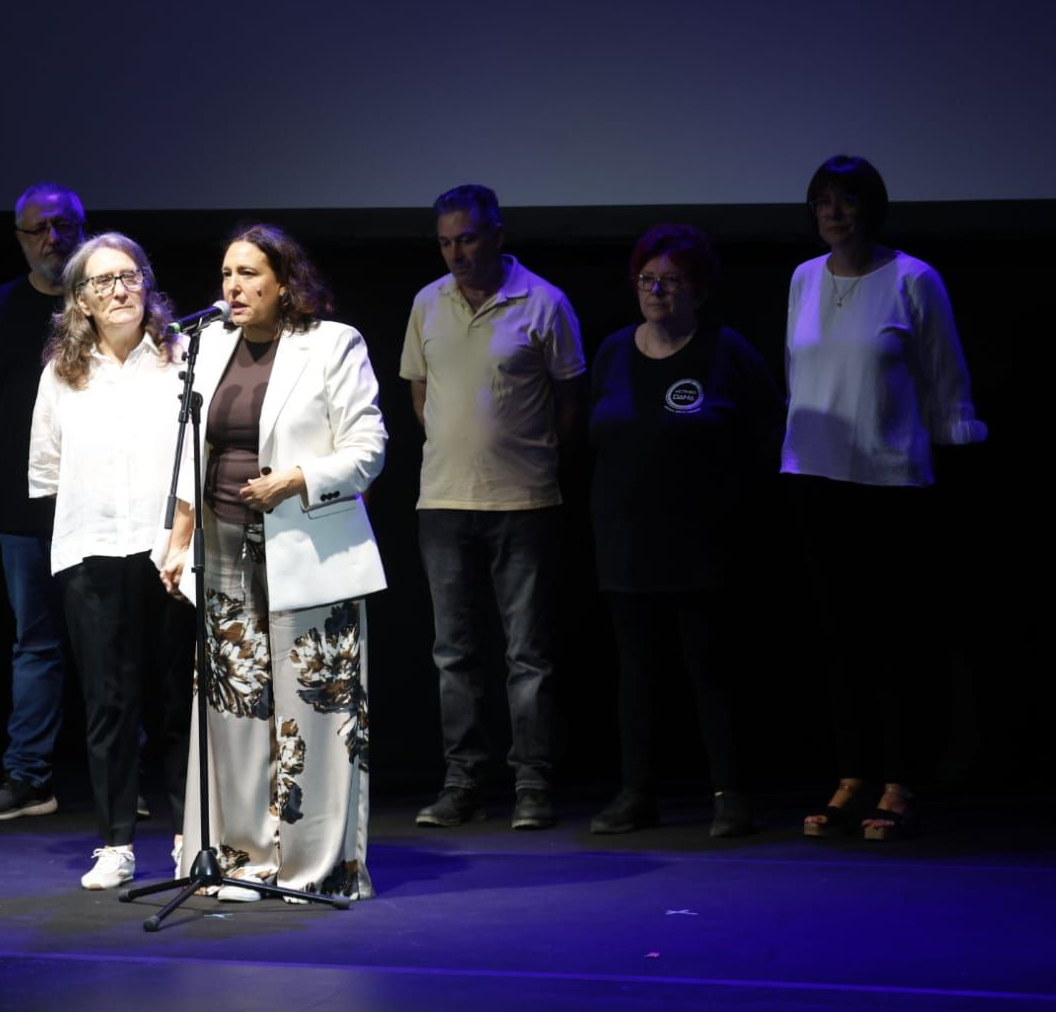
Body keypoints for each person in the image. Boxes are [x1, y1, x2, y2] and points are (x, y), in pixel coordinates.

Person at [175, 224, 387, 902]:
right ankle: (244, 858)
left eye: (247, 273)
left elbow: (369, 447)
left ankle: (314, 867)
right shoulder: (205, 348)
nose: (231, 286)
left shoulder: (331, 344)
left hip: (308, 550)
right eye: (226, 274)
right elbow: (183, 448)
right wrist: (177, 539)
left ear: (285, 282)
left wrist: (297, 477)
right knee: (235, 713)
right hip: (223, 549)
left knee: (315, 717)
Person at [784, 156, 988, 841]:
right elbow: (798, 374)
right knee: (838, 639)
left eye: (844, 202)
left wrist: (952, 453)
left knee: (896, 640)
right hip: (816, 480)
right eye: (821, 202)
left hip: (891, 484)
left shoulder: (913, 279)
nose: (832, 214)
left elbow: (943, 377)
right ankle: (850, 774)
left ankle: (899, 781)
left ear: (871, 208)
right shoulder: (802, 279)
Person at [586, 224, 781, 838]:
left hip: (704, 545)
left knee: (711, 671)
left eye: (671, 281)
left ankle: (730, 797)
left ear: (698, 289)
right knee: (636, 676)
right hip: (626, 543)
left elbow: (768, 431)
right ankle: (636, 794)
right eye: (647, 279)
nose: (657, 291)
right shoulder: (615, 349)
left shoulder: (727, 350)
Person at [401, 184, 585, 830]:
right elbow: (419, 396)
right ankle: (463, 782)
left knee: (527, 655)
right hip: (443, 503)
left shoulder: (544, 302)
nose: (456, 253)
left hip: (525, 502)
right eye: (446, 242)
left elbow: (568, 402)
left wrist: (524, 456)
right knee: (453, 653)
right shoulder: (427, 303)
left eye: (468, 238)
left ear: (497, 234)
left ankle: (531, 783)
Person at [26, 233, 195, 889]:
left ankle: (189, 836)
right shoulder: (62, 374)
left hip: (168, 553)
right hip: (91, 552)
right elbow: (44, 472)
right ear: (81, 302)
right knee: (108, 704)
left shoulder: (181, 357)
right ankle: (116, 842)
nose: (118, 289)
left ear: (146, 284)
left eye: (128, 276)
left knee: (178, 701)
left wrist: (181, 539)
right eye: (102, 282)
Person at [0, 183, 85, 821]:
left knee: (113, 645)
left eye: (62, 226)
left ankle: (133, 776)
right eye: (37, 229)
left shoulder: (107, 306)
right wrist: (23, 466)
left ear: (82, 229)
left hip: (98, 512)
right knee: (35, 644)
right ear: (19, 238)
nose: (50, 240)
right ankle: (30, 776)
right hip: (21, 512)